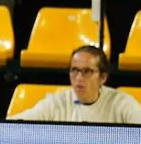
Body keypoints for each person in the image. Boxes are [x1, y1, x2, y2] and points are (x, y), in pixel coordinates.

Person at [9, 46, 141, 124]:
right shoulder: (56, 103)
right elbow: (17, 124)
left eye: (87, 71)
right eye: (74, 70)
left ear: (102, 77)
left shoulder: (122, 103)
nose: (79, 78)